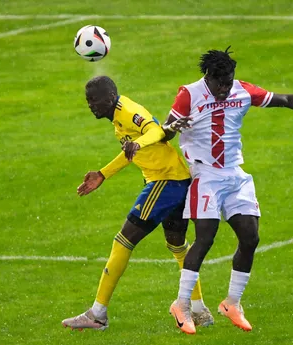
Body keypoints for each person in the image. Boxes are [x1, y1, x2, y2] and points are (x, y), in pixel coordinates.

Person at [163, 47, 293, 334]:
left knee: (250, 236)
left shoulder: (242, 91)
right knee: (204, 239)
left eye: (229, 81)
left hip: (235, 174)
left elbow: (286, 100)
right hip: (205, 174)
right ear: (208, 77)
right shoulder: (189, 94)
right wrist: (172, 127)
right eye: (220, 82)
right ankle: (181, 304)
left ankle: (232, 302)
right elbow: (165, 130)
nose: (225, 88)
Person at [61, 76, 214, 331]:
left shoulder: (129, 111)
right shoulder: (118, 118)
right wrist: (103, 174)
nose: (90, 105)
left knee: (123, 241)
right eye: (88, 100)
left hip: (165, 181)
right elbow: (133, 150)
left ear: (110, 98)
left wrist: (138, 142)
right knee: (176, 244)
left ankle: (97, 314)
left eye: (94, 100)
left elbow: (154, 131)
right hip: (177, 179)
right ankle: (198, 309)